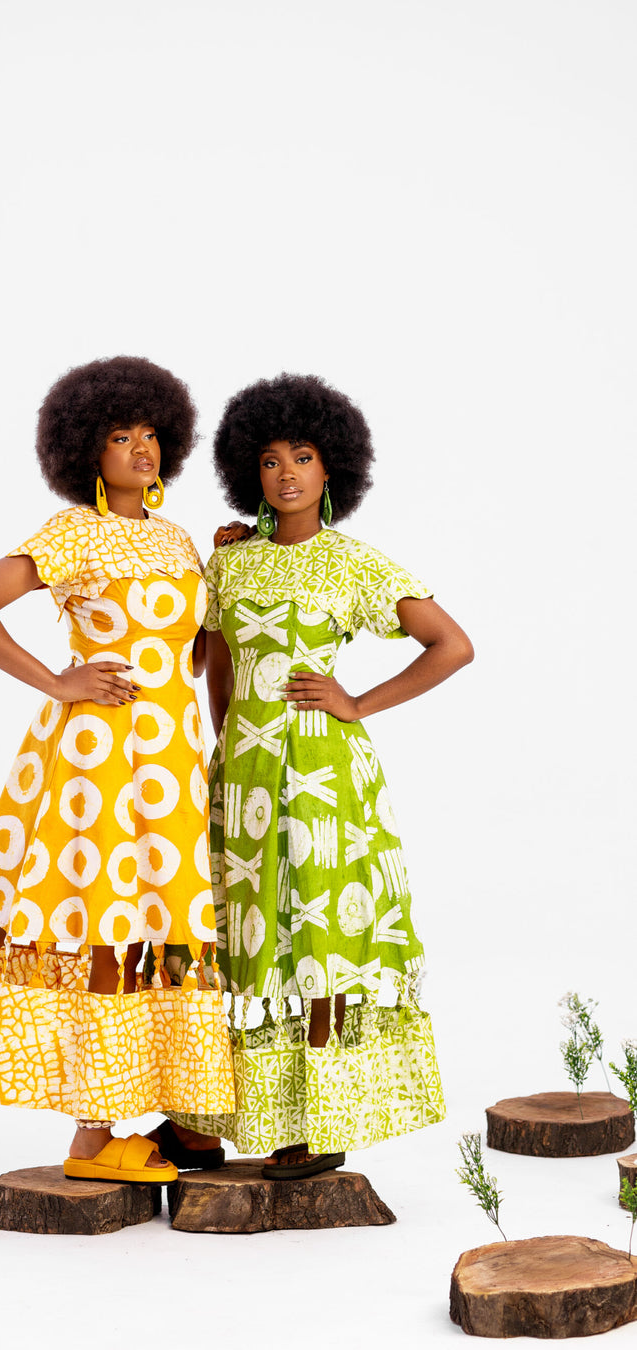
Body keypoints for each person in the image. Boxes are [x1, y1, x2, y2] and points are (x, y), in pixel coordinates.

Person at [0, 355, 235, 1185]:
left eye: (151, 433)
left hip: (170, 760)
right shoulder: (70, 531)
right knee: (60, 908)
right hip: (95, 757)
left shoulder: (178, 540)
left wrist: (228, 567)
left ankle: (94, 1139)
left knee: (144, 924)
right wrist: (59, 682)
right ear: (85, 450)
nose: (141, 448)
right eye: (121, 436)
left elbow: (193, 657)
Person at [169, 373, 473, 1178]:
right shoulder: (230, 564)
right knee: (243, 938)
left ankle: (322, 1122)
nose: (287, 475)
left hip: (324, 777)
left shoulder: (354, 564)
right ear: (250, 471)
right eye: (270, 461)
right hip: (244, 774)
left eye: (302, 457)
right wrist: (231, 747)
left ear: (332, 465)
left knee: (316, 938)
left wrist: (358, 702)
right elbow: (216, 667)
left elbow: (452, 645)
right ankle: (209, 1117)